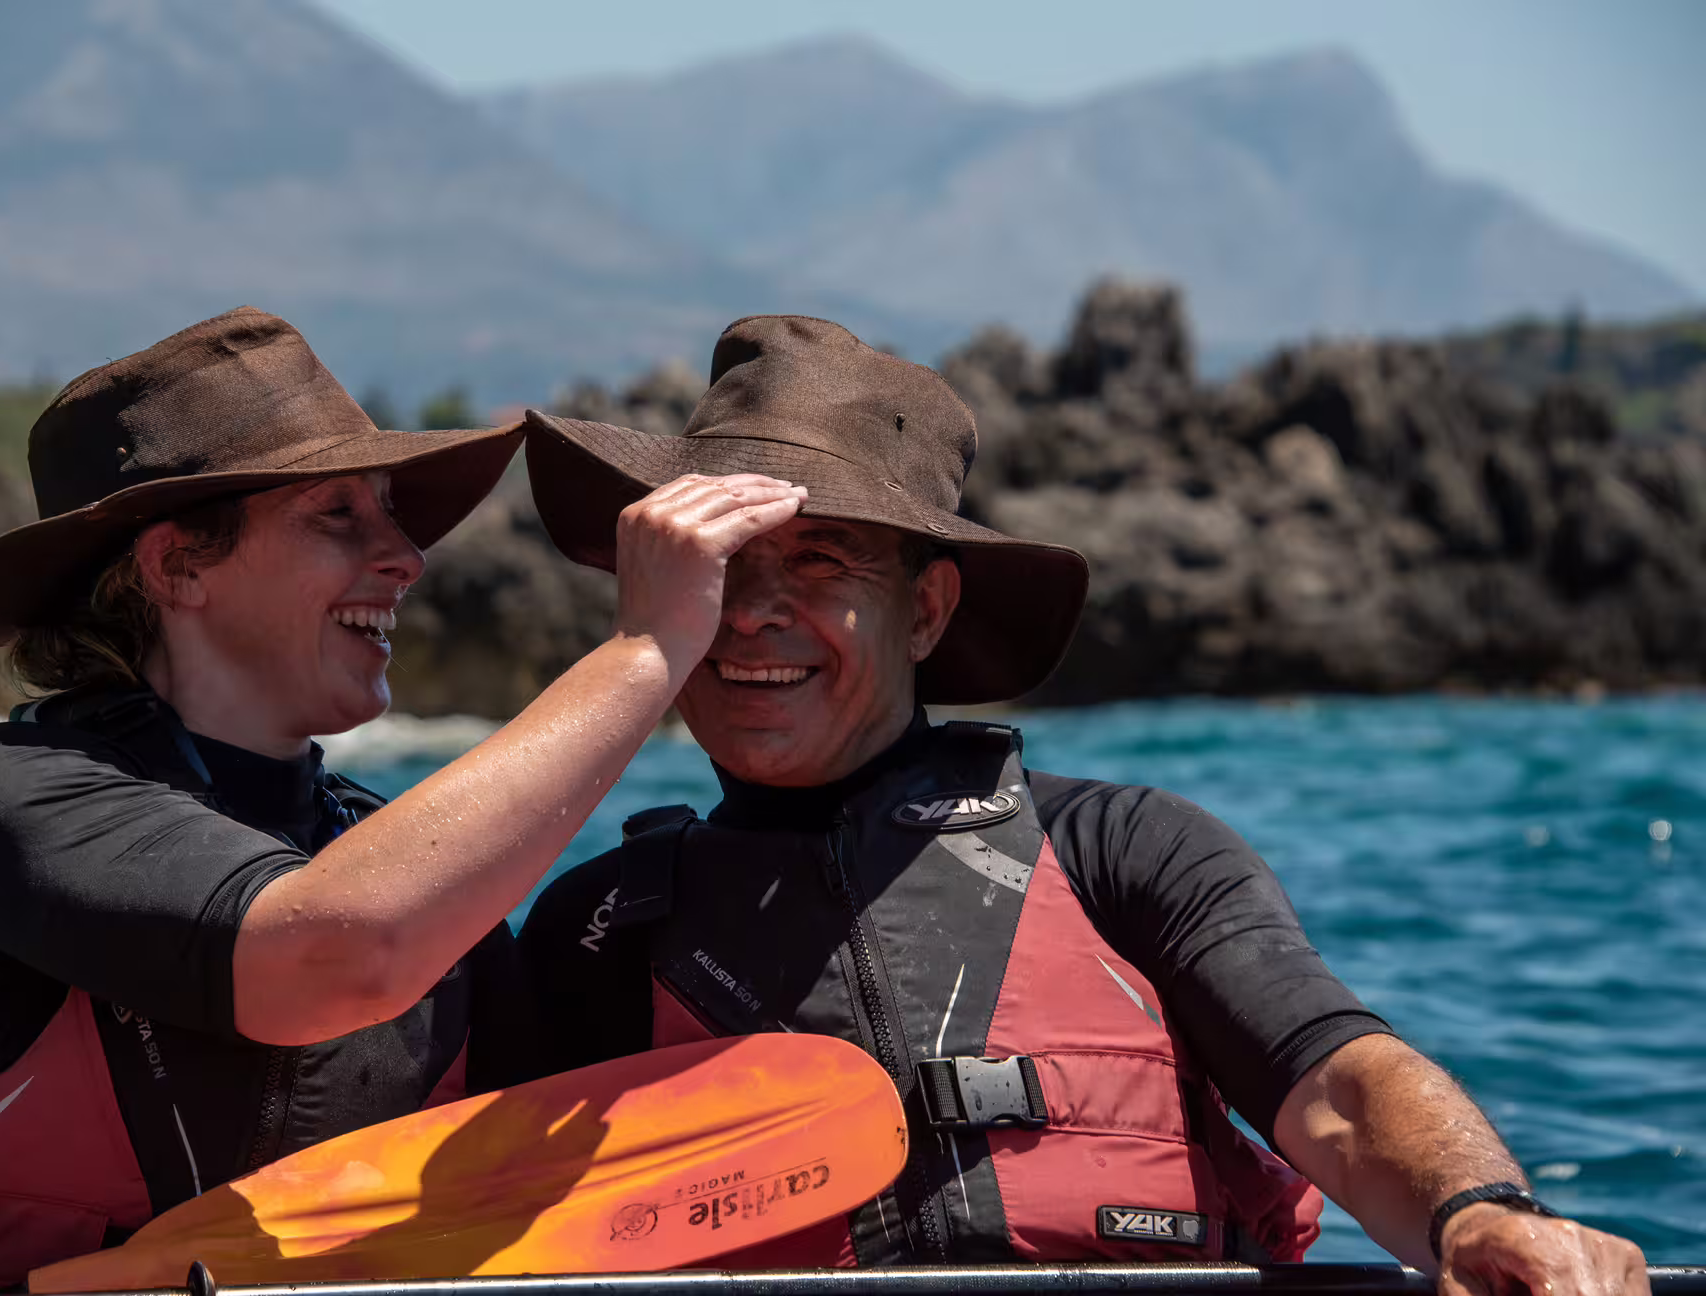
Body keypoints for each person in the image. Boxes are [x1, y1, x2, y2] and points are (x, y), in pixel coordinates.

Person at [513, 315, 1650, 1293]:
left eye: (822, 562)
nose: (757, 610)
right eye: (724, 561)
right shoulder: (601, 931)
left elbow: (1341, 1090)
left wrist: (1480, 1209)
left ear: (924, 612)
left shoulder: (1125, 851)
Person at [0, 307, 808, 1290]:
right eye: (338, 515)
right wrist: (645, 650)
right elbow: (331, 955)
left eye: (391, 514)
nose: (406, 556)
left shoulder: (410, 874)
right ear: (176, 565)